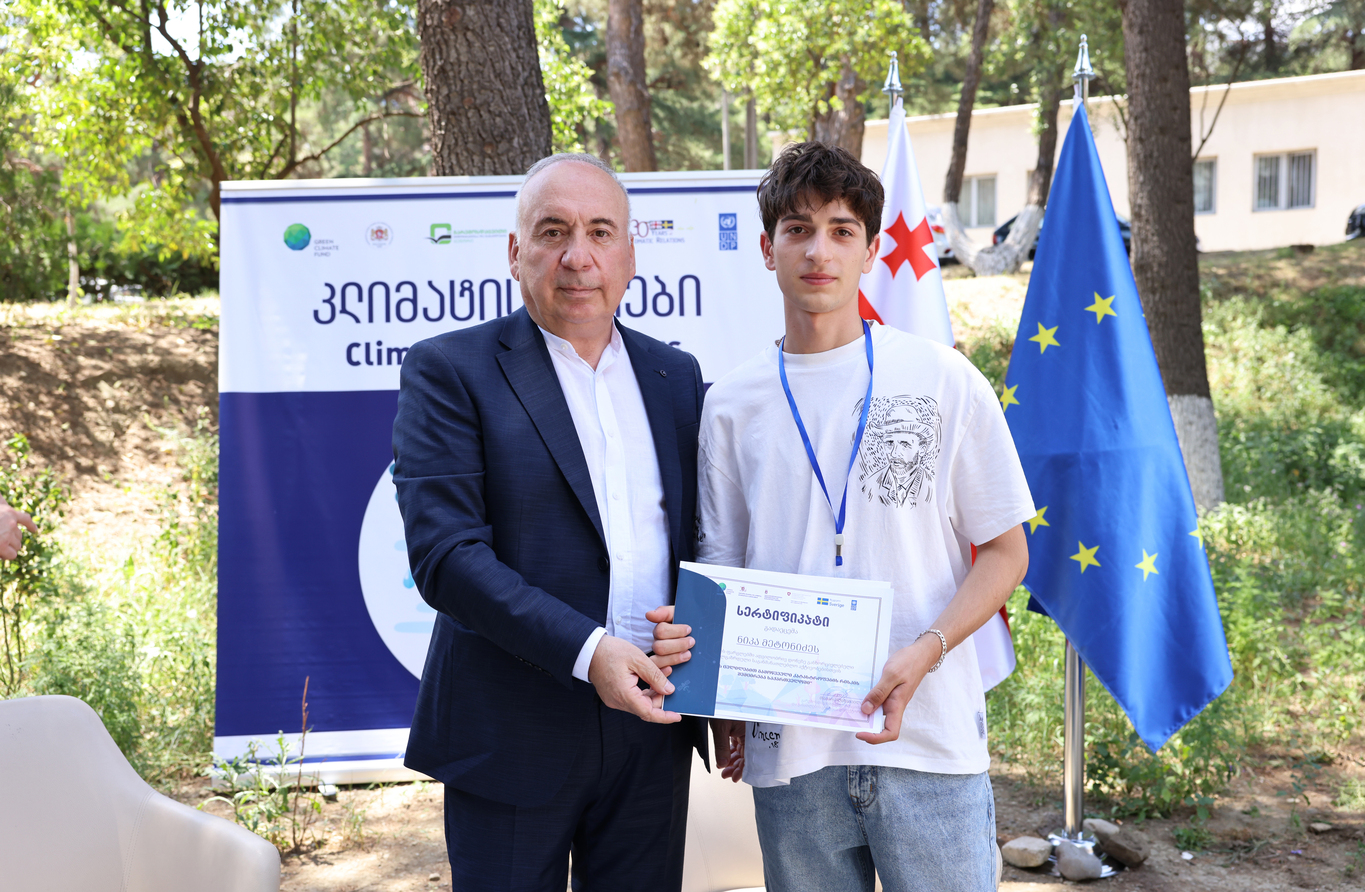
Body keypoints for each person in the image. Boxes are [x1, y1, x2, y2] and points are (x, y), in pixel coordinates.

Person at [651, 142, 1034, 891]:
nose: (817, 251)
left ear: (870, 248)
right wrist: (720, 705)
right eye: (796, 229)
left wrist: (924, 651)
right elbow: (722, 572)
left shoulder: (942, 379)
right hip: (793, 753)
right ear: (767, 250)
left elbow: (1006, 552)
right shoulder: (729, 404)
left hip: (928, 740)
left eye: (840, 230)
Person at [392, 152, 708, 892]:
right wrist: (590, 652)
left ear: (629, 254)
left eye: (600, 232)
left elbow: (699, 540)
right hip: (511, 732)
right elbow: (445, 556)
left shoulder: (676, 378)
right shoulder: (450, 371)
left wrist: (711, 657)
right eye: (553, 231)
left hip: (652, 730)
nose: (577, 256)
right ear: (515, 251)